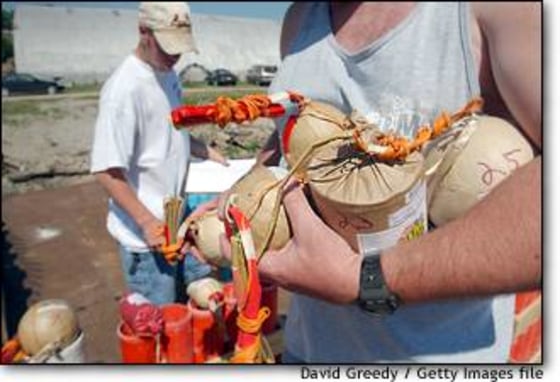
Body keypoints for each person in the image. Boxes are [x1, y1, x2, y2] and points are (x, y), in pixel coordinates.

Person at [198, 2, 540, 363]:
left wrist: (363, 279)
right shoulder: (299, 19)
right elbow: (287, 139)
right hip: (308, 349)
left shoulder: (494, 10)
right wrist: (249, 190)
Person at [90, 2, 228, 306]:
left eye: (180, 47)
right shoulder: (124, 91)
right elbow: (106, 170)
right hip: (146, 241)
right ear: (143, 32)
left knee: (191, 309)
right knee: (161, 329)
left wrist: (204, 151)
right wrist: (146, 222)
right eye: (168, 47)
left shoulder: (167, 74)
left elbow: (167, 132)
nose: (175, 55)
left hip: (174, 227)